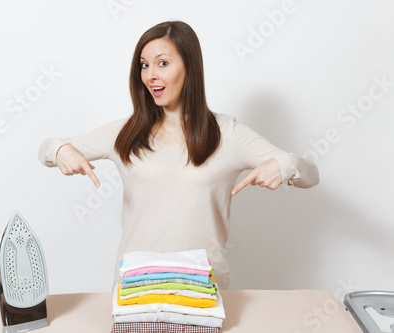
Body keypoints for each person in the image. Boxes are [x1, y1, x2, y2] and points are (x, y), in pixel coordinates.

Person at [38, 21, 319, 289]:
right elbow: (48, 149)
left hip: (202, 291)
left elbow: (311, 175)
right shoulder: (126, 132)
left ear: (189, 68)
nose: (150, 75)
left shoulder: (227, 134)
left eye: (162, 63)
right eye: (144, 65)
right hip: (135, 288)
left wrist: (284, 165)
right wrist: (61, 150)